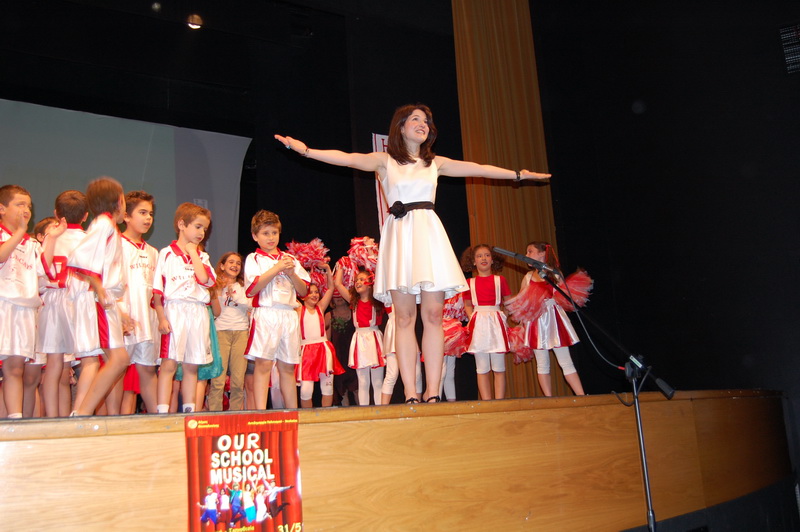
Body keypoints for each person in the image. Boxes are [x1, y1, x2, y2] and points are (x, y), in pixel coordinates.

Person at [275, 103, 550, 403]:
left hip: (428, 236)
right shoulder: (385, 161)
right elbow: (348, 158)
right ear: (401, 126)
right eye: (416, 119)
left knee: (433, 315)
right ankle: (410, 392)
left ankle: (432, 391)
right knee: (404, 318)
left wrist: (517, 174)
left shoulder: (436, 163)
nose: (423, 124)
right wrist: (306, 151)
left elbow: (478, 168)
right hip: (400, 239)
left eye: (427, 121)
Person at [67, 177, 131, 416]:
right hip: (99, 301)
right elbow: (79, 257)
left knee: (117, 360)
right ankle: (82, 412)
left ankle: (82, 411)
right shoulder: (103, 223)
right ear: (118, 201)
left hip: (107, 301)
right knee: (118, 359)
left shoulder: (109, 226)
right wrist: (98, 287)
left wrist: (120, 312)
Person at [153, 202, 215, 413]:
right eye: (197, 226)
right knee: (169, 364)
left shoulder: (203, 257)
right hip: (175, 310)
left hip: (197, 312)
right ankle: (162, 412)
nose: (201, 233)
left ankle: (190, 412)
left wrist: (193, 253)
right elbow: (157, 290)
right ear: (182, 224)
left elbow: (205, 279)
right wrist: (161, 317)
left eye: (204, 229)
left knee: (192, 364)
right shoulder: (166, 253)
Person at [244, 210, 310, 410]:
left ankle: (292, 411)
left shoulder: (290, 259)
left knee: (288, 366)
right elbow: (251, 289)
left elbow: (304, 291)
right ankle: (260, 412)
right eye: (265, 233)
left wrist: (291, 273)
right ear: (255, 236)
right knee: (263, 364)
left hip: (288, 315)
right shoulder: (254, 258)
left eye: (274, 233)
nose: (271, 237)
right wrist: (276, 268)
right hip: (266, 313)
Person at [36, 192, 88, 417]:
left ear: (56, 213)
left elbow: (40, 272)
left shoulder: (51, 237)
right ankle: (78, 413)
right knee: (90, 361)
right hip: (80, 302)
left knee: (54, 363)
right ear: (86, 215)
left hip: (53, 302)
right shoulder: (89, 239)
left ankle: (51, 417)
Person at [513, 241, 586, 396]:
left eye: (530, 251)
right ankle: (549, 399)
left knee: (566, 361)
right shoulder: (528, 277)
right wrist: (522, 322)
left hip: (554, 320)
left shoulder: (554, 273)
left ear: (541, 254)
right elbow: (522, 301)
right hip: (536, 322)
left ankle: (581, 396)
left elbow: (565, 296)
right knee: (542, 363)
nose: (526, 255)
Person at [0, 185, 47, 418]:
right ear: (2, 208)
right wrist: (19, 232)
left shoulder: (32, 244)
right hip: (3, 305)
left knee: (16, 368)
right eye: (19, 204)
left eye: (28, 205)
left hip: (24, 310)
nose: (26, 210)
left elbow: (43, 277)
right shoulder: (8, 235)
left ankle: (15, 419)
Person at [118, 191, 159, 414]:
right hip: (124, 320)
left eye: (150, 214)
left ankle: (158, 420)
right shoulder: (116, 245)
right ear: (126, 216)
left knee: (147, 370)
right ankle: (112, 423)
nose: (148, 218)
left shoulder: (153, 253)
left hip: (148, 322)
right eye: (142, 213)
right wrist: (120, 314)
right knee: (117, 371)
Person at [462, 244, 512, 400]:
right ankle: (486, 402)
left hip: (496, 323)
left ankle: (499, 402)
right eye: (479, 256)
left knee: (498, 367)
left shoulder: (500, 280)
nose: (483, 258)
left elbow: (509, 302)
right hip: (478, 325)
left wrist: (503, 317)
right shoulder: (469, 283)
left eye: (487, 255)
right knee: (482, 368)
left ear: (492, 260)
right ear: (474, 261)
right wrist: (472, 318)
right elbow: (467, 304)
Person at [334, 269, 385, 406]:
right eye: (356, 280)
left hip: (374, 338)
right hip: (359, 339)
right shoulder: (353, 301)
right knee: (362, 382)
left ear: (370, 283)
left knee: (377, 382)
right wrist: (341, 266)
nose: (358, 282)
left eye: (362, 279)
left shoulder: (378, 300)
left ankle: (381, 411)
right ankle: (365, 411)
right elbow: (338, 284)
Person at [297, 263, 343, 408]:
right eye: (310, 292)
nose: (314, 295)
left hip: (323, 350)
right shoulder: (299, 310)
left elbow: (330, 288)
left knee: (327, 387)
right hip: (306, 353)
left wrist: (328, 269)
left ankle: (326, 416)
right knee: (306, 390)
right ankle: (308, 418)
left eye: (316, 292)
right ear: (303, 295)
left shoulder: (321, 308)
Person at [209, 252, 250, 411]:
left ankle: (235, 415)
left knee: (238, 381)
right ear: (222, 265)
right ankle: (214, 415)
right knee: (218, 380)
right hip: (221, 332)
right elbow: (215, 312)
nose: (235, 266)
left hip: (241, 333)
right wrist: (217, 292)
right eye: (231, 262)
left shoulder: (244, 286)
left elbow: (251, 305)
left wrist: (237, 295)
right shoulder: (214, 285)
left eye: (238, 263)